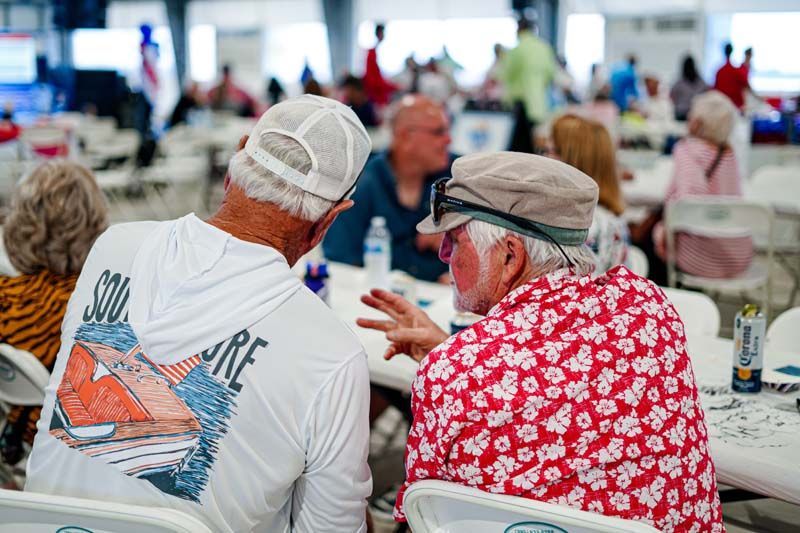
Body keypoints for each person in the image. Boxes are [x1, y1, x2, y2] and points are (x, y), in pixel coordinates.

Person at [26, 95, 374, 532]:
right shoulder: (333, 353)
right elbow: (332, 527)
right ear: (330, 218)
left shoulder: (113, 247)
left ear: (236, 163)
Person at [358, 151, 724, 532]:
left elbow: (430, 512)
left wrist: (452, 360)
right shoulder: (649, 310)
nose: (444, 254)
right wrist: (450, 353)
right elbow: (568, 382)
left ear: (510, 257)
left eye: (454, 239)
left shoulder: (457, 371)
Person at [0, 161, 108, 468]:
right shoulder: (95, 307)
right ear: (94, 223)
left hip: (21, 444)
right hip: (74, 456)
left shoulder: (6, 298)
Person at [323, 94, 453, 283]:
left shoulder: (458, 178)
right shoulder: (361, 187)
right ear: (405, 136)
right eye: (439, 132)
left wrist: (457, 237)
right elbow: (339, 262)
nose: (448, 140)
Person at [653, 90, 753, 278]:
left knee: (647, 240)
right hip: (737, 257)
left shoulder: (687, 150)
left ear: (696, 123)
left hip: (699, 260)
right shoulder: (730, 154)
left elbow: (682, 204)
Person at [549, 114, 628, 274]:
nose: (544, 158)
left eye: (552, 151)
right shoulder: (612, 221)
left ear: (574, 163)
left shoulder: (581, 227)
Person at [500, 17, 556, 152]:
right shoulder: (544, 48)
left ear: (519, 29)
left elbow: (507, 74)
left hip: (521, 102)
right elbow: (551, 74)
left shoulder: (517, 50)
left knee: (519, 146)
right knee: (535, 145)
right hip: (539, 103)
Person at [363, 23, 398, 107]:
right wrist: (393, 87)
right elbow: (373, 80)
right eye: (383, 33)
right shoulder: (371, 53)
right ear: (379, 34)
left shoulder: (375, 52)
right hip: (376, 96)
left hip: (378, 94)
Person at [713, 43, 750, 111]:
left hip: (722, 107)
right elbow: (746, 85)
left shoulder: (719, 71)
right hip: (734, 107)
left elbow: (715, 90)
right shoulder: (736, 71)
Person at [670, 55, 707, 121]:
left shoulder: (679, 82)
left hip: (683, 113)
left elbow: (672, 96)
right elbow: (707, 93)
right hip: (695, 113)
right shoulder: (701, 81)